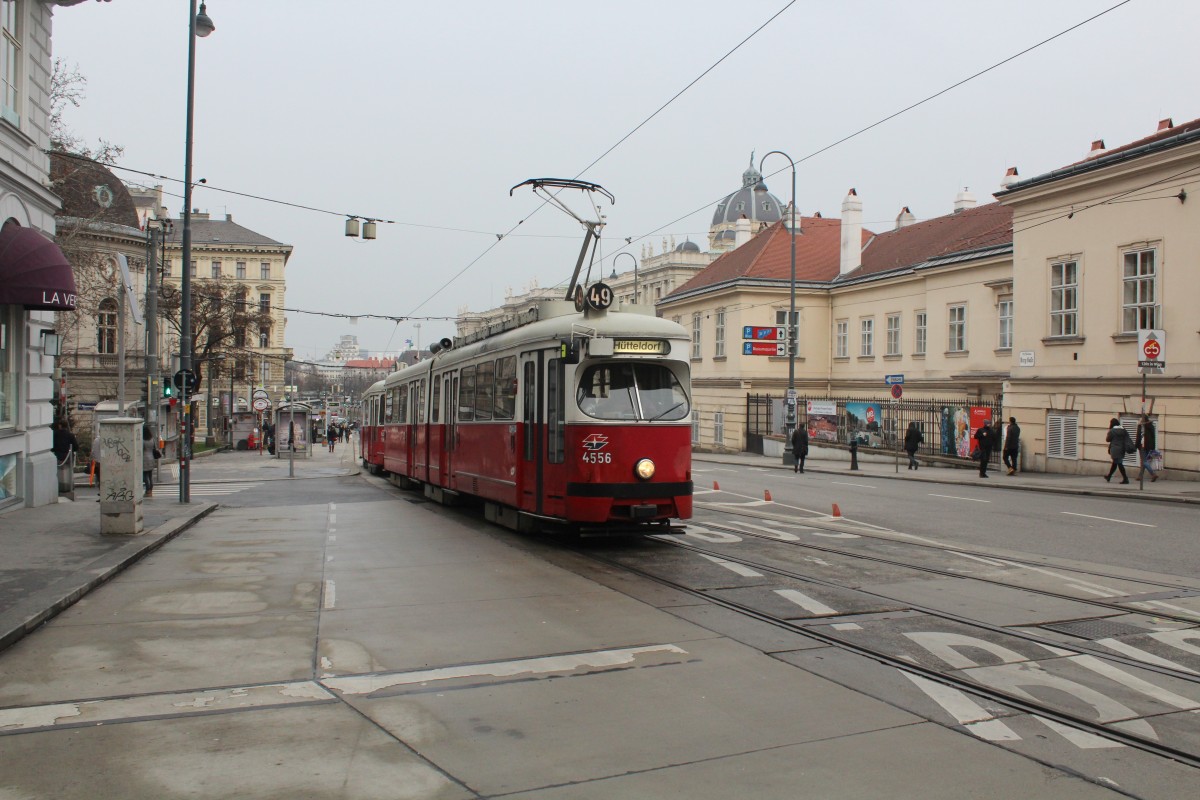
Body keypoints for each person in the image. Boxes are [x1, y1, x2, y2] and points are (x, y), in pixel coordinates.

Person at [1104, 418, 1132, 484]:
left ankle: (1125, 478)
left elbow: (1108, 439)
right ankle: (1109, 476)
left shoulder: (1112, 431)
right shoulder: (1123, 430)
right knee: (1115, 463)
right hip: (1122, 449)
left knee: (1119, 463)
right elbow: (1127, 438)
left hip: (1115, 449)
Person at [1135, 414, 1158, 482]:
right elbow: (1153, 437)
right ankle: (1140, 476)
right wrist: (1153, 447)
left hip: (1142, 446)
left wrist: (1136, 446)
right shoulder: (1151, 426)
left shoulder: (1141, 426)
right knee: (1145, 461)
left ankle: (1153, 474)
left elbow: (1138, 437)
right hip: (1149, 446)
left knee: (1144, 461)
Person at [142, 425, 159, 497]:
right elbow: (154, 448)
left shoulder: (143, 440)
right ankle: (150, 490)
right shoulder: (152, 439)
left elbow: (141, 449)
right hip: (151, 457)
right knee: (150, 475)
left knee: (145, 475)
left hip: (145, 458)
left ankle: (148, 490)